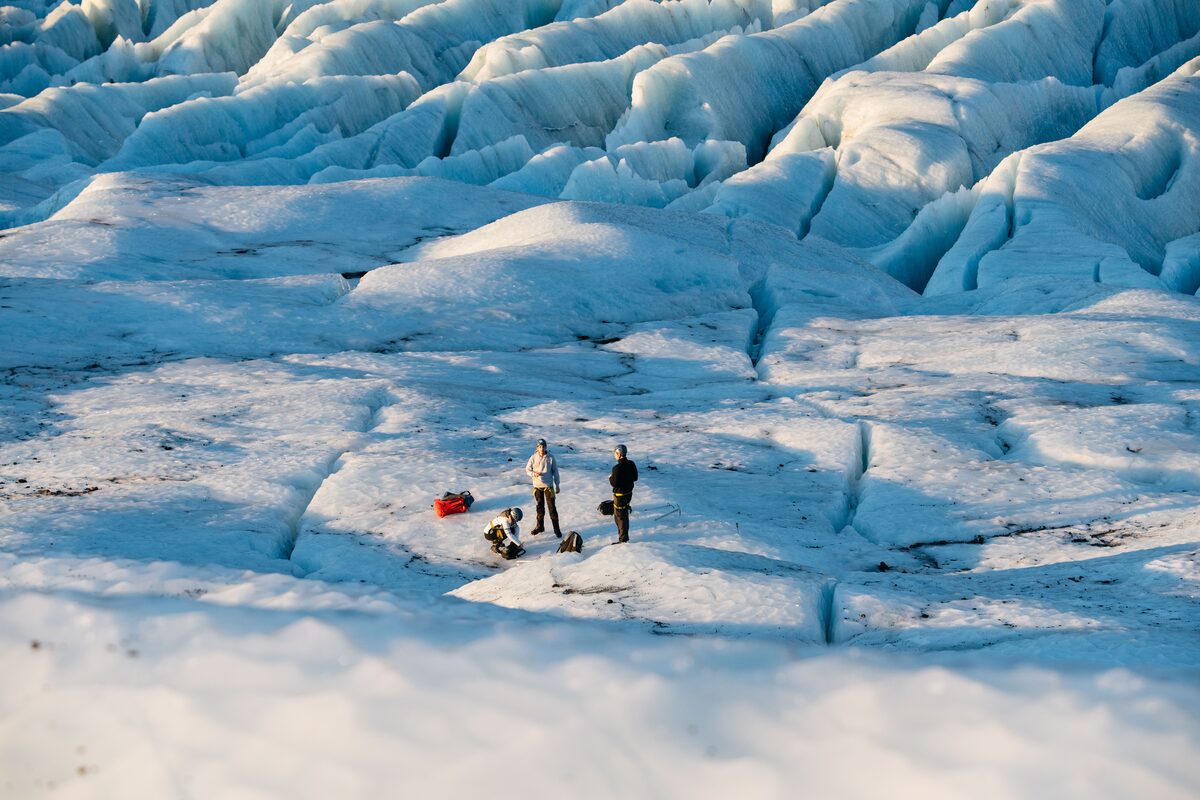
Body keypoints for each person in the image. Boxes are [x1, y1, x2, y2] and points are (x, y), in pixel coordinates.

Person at [524, 438, 562, 538]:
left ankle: (556, 529)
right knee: (540, 508)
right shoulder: (533, 457)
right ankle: (540, 527)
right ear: (537, 447)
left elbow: (555, 472)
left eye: (543, 447)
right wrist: (533, 474)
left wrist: (557, 485)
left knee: (552, 508)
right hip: (537, 487)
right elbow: (527, 469)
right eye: (540, 447)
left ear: (546, 447)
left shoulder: (550, 458)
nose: (542, 449)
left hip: (548, 487)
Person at [608, 444, 638, 543]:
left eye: (615, 453)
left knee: (620, 517)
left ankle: (623, 540)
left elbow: (614, 484)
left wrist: (610, 478)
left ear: (619, 454)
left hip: (620, 496)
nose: (614, 455)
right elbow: (635, 478)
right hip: (628, 494)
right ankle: (623, 537)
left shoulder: (616, 468)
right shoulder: (632, 464)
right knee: (624, 514)